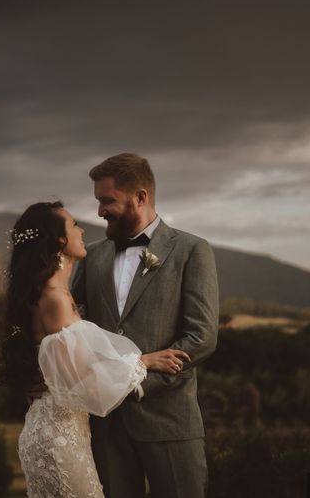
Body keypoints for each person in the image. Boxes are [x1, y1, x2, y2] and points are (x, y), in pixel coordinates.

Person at [0, 201, 190, 498]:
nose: (82, 229)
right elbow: (84, 376)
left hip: (60, 430)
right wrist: (145, 362)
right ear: (60, 240)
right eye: (74, 224)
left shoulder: (57, 293)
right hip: (59, 436)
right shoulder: (54, 298)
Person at [72, 153, 219, 498]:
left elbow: (202, 336)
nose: (99, 211)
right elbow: (74, 327)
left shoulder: (192, 250)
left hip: (169, 418)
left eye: (107, 200)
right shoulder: (90, 256)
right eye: (97, 201)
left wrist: (137, 383)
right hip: (106, 423)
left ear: (140, 196)